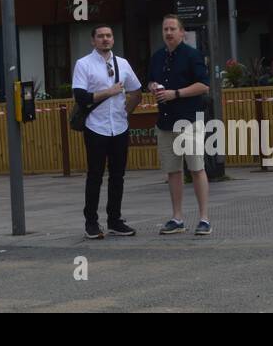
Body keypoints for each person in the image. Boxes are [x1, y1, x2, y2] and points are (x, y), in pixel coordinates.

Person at [72, 25, 143, 239]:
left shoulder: (122, 63)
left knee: (118, 175)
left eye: (109, 36)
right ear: (93, 40)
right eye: (100, 36)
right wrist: (107, 92)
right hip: (96, 126)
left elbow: (137, 91)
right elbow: (81, 97)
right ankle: (91, 222)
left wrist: (126, 110)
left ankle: (115, 220)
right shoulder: (84, 64)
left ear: (113, 39)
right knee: (95, 175)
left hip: (119, 126)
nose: (105, 39)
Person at [149, 14, 212, 235]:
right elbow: (150, 79)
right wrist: (153, 86)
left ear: (182, 32)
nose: (168, 33)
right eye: (165, 29)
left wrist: (176, 93)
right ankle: (177, 218)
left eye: (172, 29)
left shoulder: (192, 55)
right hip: (165, 122)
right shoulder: (157, 57)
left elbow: (204, 86)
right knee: (172, 171)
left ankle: (204, 218)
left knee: (196, 168)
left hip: (190, 120)